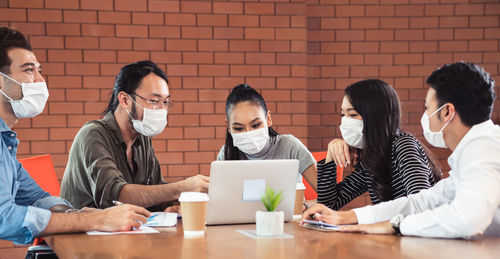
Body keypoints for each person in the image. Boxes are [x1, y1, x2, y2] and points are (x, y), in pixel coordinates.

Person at [303, 62, 500, 238]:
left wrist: (395, 225)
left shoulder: (483, 151)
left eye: (427, 108)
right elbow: (422, 201)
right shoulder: (474, 151)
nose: (426, 116)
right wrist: (347, 217)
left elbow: (466, 219)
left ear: (447, 112)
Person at [0, 26, 150, 244]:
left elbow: (35, 198)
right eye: (28, 70)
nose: (41, 80)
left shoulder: (6, 144)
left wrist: (78, 214)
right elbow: (5, 218)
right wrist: (96, 221)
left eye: (39, 70)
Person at [60, 60, 209, 211]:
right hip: (84, 232)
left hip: (125, 230)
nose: (162, 109)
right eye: (154, 101)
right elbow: (115, 197)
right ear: (124, 100)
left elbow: (155, 190)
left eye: (166, 102)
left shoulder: (142, 137)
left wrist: (176, 202)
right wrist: (182, 187)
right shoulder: (93, 135)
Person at [317, 79, 440, 210]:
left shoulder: (403, 145)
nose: (345, 121)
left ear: (375, 115)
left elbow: (421, 205)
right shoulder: (372, 158)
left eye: (352, 114)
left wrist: (362, 218)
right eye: (343, 114)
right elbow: (329, 205)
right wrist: (330, 157)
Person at [217, 84, 317, 189]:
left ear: (268, 118)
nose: (248, 133)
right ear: (228, 127)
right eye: (238, 128)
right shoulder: (226, 154)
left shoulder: (290, 146)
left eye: (255, 125)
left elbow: (329, 198)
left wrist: (304, 205)